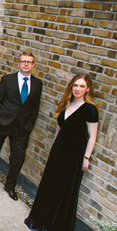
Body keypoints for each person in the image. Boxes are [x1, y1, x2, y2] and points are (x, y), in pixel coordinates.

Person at [25, 73, 98, 231]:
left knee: (64, 189)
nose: (77, 89)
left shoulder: (90, 109)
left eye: (81, 86)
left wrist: (86, 157)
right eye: (75, 85)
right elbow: (59, 130)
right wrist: (53, 148)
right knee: (50, 184)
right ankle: (42, 218)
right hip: (59, 151)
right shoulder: (66, 103)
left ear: (88, 89)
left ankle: (55, 224)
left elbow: (92, 136)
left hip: (74, 155)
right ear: (71, 86)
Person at [0, 52, 43, 201]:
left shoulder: (37, 84)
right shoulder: (7, 80)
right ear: (18, 63)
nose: (26, 64)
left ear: (33, 65)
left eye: (29, 62)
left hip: (22, 128)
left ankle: (10, 186)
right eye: (23, 61)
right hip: (2, 124)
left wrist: (30, 125)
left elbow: (35, 108)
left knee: (18, 158)